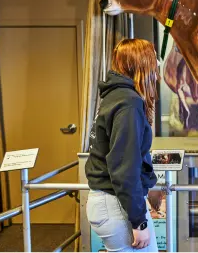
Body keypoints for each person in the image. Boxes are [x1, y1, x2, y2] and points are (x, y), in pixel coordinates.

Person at [85, 39, 160, 252]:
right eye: (153, 60)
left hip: (105, 202)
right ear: (142, 63)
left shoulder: (114, 95)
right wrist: (139, 222)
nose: (156, 68)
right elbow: (124, 169)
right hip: (115, 205)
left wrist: (148, 187)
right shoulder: (129, 102)